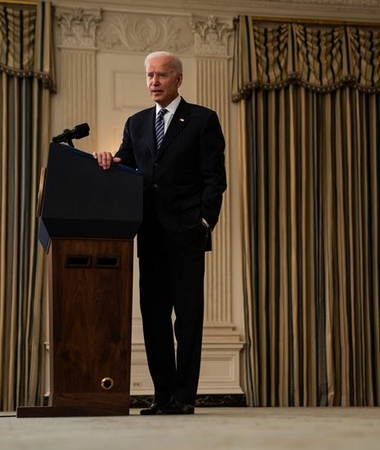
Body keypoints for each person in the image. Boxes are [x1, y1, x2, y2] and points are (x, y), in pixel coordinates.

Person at [93, 51, 226, 415]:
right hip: (149, 236)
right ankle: (163, 395)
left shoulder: (202, 120)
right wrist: (108, 160)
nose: (153, 81)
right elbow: (126, 165)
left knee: (187, 319)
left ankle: (184, 397)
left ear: (178, 79)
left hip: (187, 235)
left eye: (161, 75)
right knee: (153, 319)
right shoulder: (136, 123)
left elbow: (215, 180)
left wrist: (203, 223)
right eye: (149, 75)